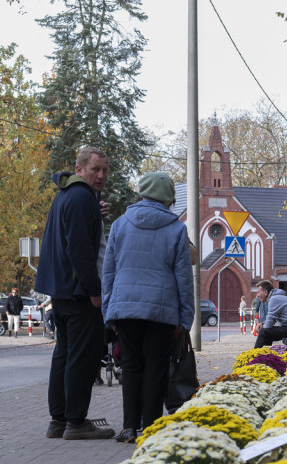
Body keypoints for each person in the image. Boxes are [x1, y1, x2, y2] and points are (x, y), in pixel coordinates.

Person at [103, 172, 194, 443]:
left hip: (126, 307)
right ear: (168, 199)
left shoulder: (120, 225)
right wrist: (185, 318)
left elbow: (108, 272)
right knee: (156, 366)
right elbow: (184, 279)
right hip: (162, 310)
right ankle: (151, 428)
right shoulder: (177, 229)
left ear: (141, 193)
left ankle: (129, 426)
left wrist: (109, 312)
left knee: (130, 366)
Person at [34, 147, 115, 440]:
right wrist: (95, 291)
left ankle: (58, 420)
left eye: (105, 170)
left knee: (65, 355)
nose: (101, 175)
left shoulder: (68, 194)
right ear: (80, 169)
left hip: (60, 290)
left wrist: (95, 209)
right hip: (79, 292)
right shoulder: (82, 198)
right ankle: (76, 422)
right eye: (95, 169)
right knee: (83, 357)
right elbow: (80, 251)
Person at [253, 280, 287, 348]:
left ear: (265, 292)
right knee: (265, 331)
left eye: (258, 292)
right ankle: (264, 355)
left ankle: (257, 356)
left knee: (264, 332)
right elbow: (271, 319)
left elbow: (268, 325)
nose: (257, 295)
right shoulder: (277, 297)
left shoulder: (274, 299)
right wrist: (263, 323)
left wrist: (264, 326)